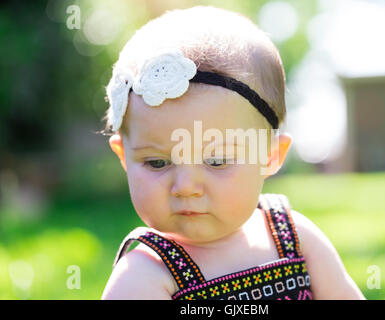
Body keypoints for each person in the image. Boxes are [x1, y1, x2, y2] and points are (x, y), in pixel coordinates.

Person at [100, 6, 365, 300]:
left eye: (216, 160)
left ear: (271, 156)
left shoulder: (294, 240)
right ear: (124, 156)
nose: (185, 186)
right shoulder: (144, 276)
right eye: (157, 162)